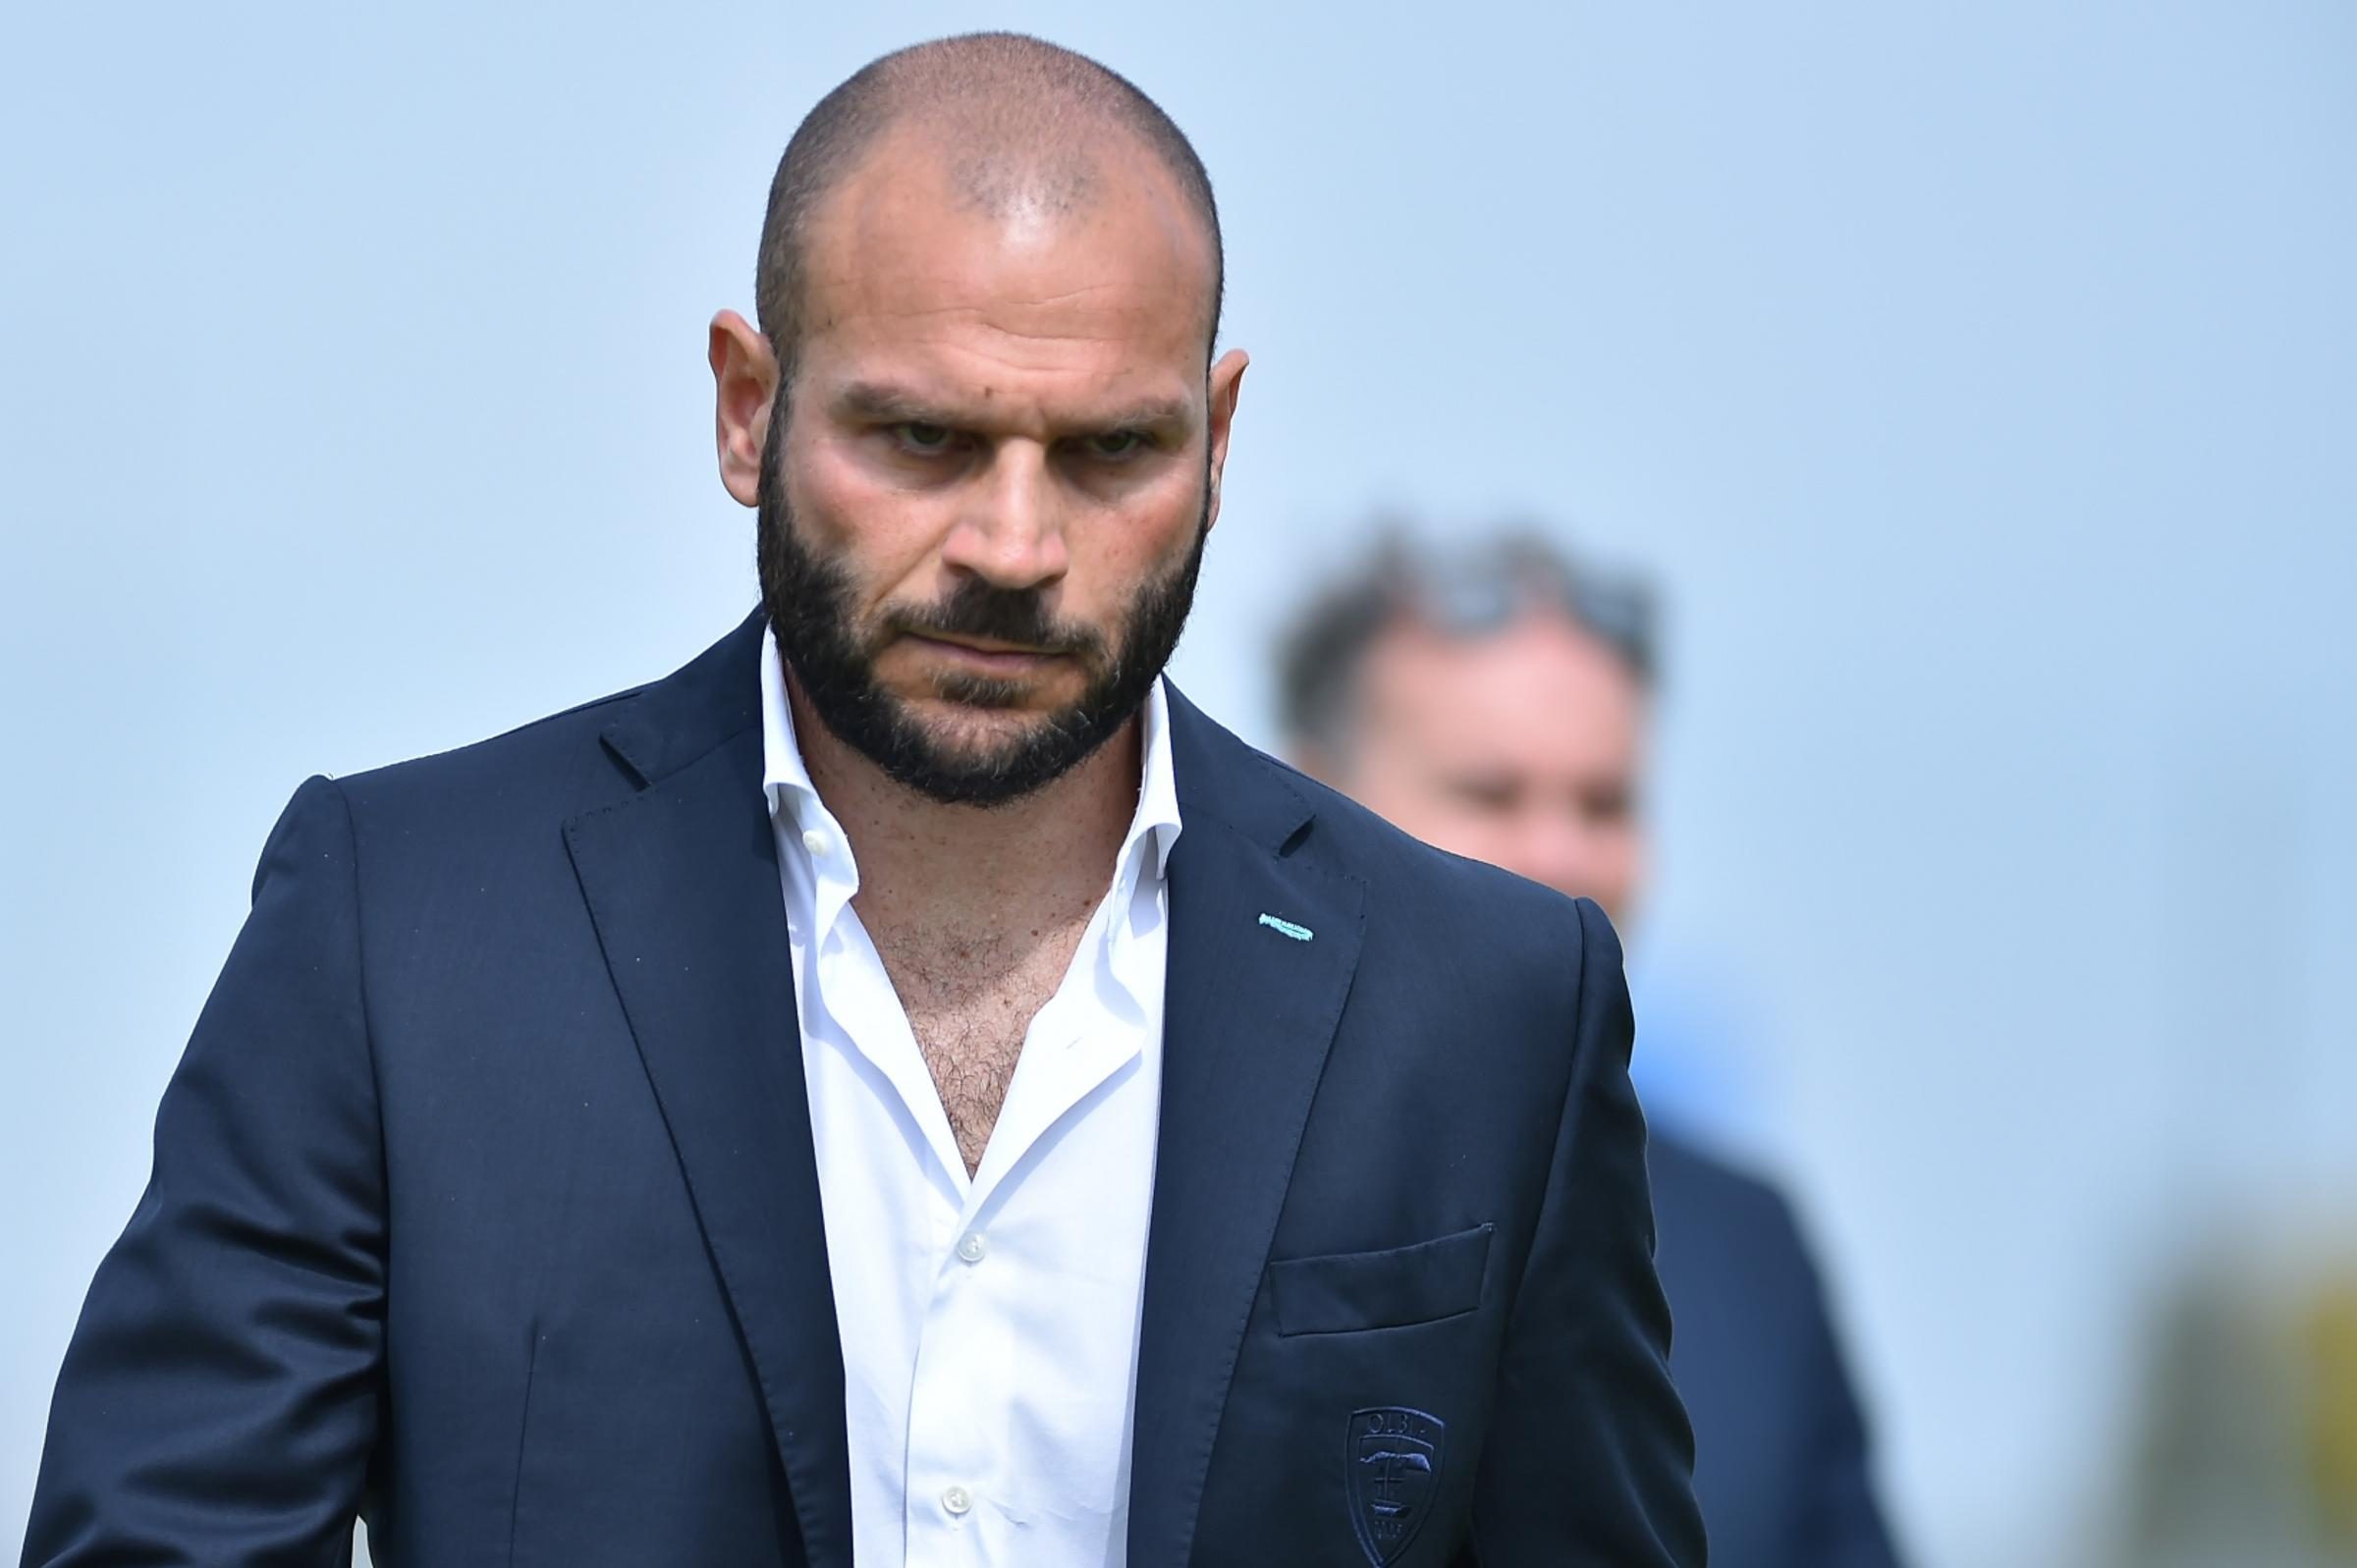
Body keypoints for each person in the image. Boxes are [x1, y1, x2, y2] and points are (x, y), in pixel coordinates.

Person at [21, 34, 1703, 1568]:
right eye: (920, 439)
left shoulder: (1483, 1000)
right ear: (747, 409)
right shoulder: (408, 928)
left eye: (1111, 452)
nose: (1014, 547)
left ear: (1217, 436)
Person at [1278, 533, 1903, 1568]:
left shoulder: (1749, 1253)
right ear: (1312, 803)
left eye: (1604, 804)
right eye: (1491, 793)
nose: (1561, 856)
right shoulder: (1180, 1182)